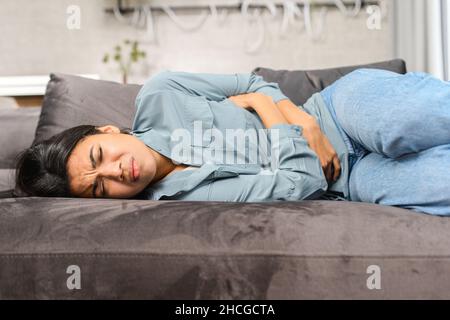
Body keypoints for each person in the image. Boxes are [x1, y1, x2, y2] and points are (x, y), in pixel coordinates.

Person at [14, 68, 450, 215]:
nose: (114, 172)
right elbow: (298, 182)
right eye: (98, 186)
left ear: (106, 132)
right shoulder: (181, 201)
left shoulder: (161, 92)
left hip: (334, 112)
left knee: (405, 120)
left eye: (99, 156)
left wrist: (302, 119)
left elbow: (252, 81)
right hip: (347, 182)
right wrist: (263, 107)